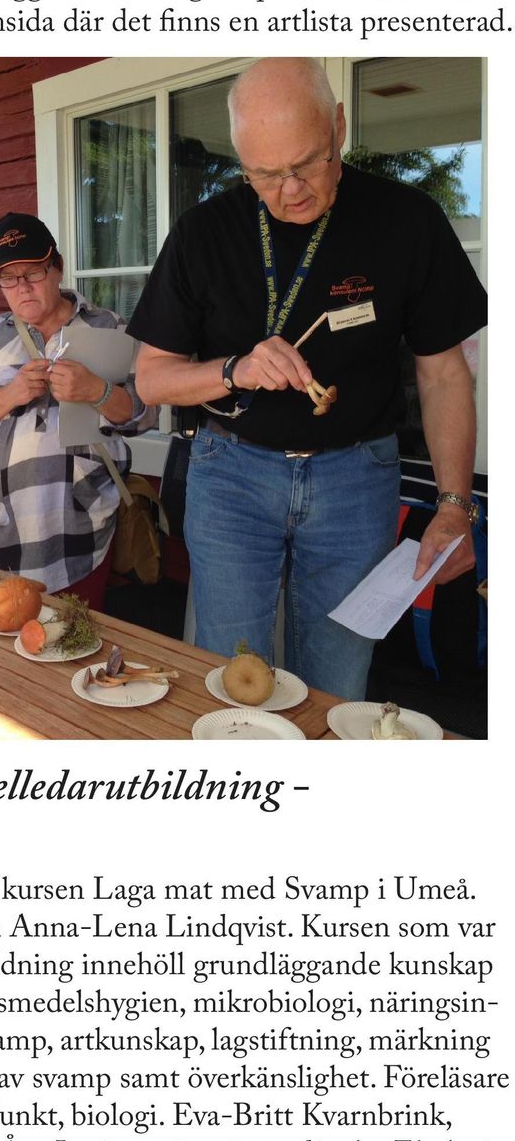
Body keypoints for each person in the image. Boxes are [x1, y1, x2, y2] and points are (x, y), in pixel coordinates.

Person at [129, 58, 488, 702]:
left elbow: (443, 376)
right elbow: (152, 380)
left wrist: (455, 505)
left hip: (357, 479)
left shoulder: (407, 221)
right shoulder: (203, 232)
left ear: (339, 127)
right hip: (231, 473)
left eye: (308, 164)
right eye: (264, 174)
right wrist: (233, 370)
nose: (289, 190)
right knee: (232, 676)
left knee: (337, 681)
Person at [0, 213, 156, 604]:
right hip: (1, 527)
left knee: (78, 640)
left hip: (83, 525)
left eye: (33, 272)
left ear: (57, 267)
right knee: (3, 643)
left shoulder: (108, 326)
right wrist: (10, 394)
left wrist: (97, 391)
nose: (21, 288)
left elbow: (144, 414)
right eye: (8, 278)